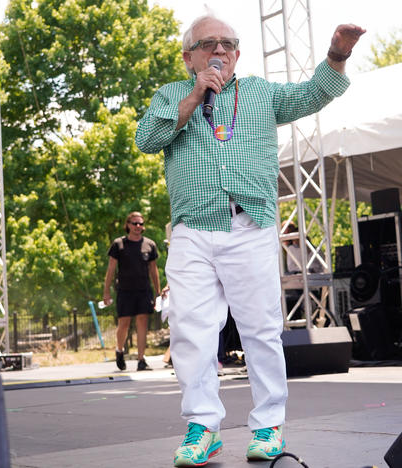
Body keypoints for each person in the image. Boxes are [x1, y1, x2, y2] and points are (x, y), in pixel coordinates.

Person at [135, 14, 364, 466]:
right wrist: (196, 93)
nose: (219, 50)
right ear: (189, 57)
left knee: (260, 329)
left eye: (227, 43)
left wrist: (337, 53)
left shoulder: (260, 92)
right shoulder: (170, 95)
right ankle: (203, 428)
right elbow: (148, 138)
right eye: (208, 44)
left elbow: (313, 94)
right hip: (192, 229)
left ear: (237, 53)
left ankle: (269, 426)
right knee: (189, 332)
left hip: (249, 224)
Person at [102, 212, 161, 371]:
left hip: (143, 290)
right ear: (128, 225)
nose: (138, 227)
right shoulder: (119, 244)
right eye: (135, 223)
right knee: (124, 323)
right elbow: (111, 269)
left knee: (142, 322)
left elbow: (153, 270)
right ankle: (119, 350)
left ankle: (141, 359)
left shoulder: (149, 244)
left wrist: (158, 292)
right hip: (125, 291)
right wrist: (106, 292)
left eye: (141, 224)